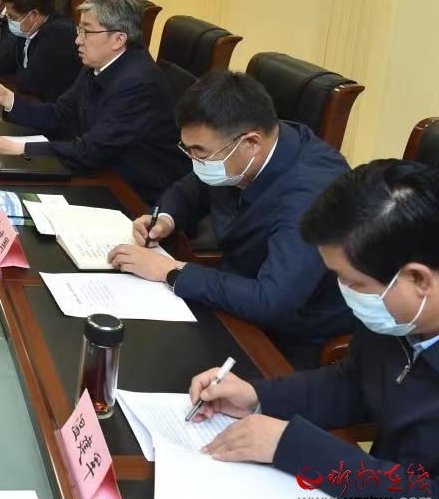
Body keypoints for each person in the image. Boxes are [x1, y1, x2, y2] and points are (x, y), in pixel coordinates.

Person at [186, 160, 438, 499]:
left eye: (354, 283)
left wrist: (294, 446)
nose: (345, 293)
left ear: (418, 278)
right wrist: (257, 397)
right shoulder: (400, 316)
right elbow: (353, 383)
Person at [107, 71, 354, 368]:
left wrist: (171, 271)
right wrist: (165, 219)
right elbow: (195, 185)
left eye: (200, 153)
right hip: (233, 295)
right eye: (188, 150)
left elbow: (272, 302)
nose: (195, 161)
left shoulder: (311, 194)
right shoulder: (246, 149)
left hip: (288, 340)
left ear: (251, 142)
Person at [0, 0, 188, 202]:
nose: (77, 40)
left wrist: (19, 149)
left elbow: (92, 151)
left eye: (86, 32)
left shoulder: (137, 82)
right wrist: (8, 99)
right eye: (80, 30)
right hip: (103, 171)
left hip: (136, 193)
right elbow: (60, 114)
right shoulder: (98, 64)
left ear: (118, 39)